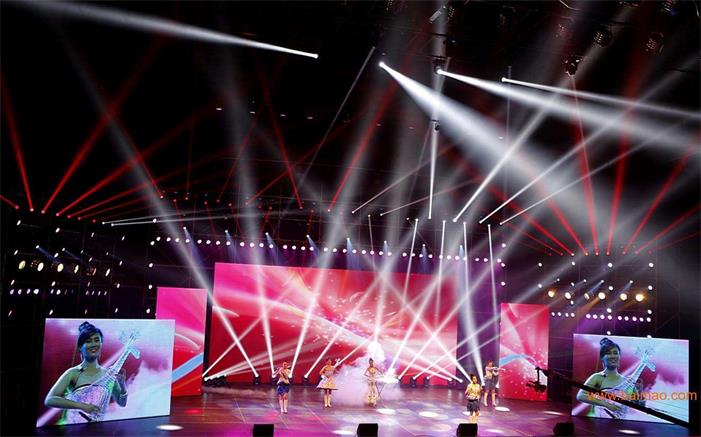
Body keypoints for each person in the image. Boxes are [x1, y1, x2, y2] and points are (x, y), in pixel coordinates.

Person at [45, 322, 128, 423]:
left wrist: (123, 386)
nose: (93, 344)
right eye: (88, 341)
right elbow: (50, 400)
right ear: (80, 347)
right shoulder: (73, 373)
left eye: (97, 340)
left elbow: (122, 403)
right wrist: (81, 406)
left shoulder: (108, 375)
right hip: (75, 427)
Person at [576, 337, 638, 418]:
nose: (613, 356)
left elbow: (636, 400)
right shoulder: (597, 377)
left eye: (615, 353)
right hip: (601, 422)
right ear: (602, 357)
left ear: (619, 356)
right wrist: (606, 404)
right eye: (608, 353)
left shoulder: (626, 380)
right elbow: (581, 396)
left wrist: (635, 389)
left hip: (621, 422)